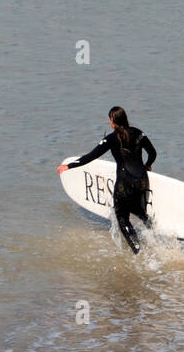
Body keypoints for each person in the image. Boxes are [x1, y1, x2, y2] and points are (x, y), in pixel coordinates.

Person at [58, 106, 157, 253]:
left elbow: (89, 157)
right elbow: (153, 153)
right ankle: (150, 227)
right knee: (135, 207)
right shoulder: (138, 132)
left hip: (124, 183)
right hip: (142, 180)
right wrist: (148, 165)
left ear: (112, 121)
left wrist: (69, 166)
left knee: (122, 218)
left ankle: (138, 250)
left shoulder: (111, 139)